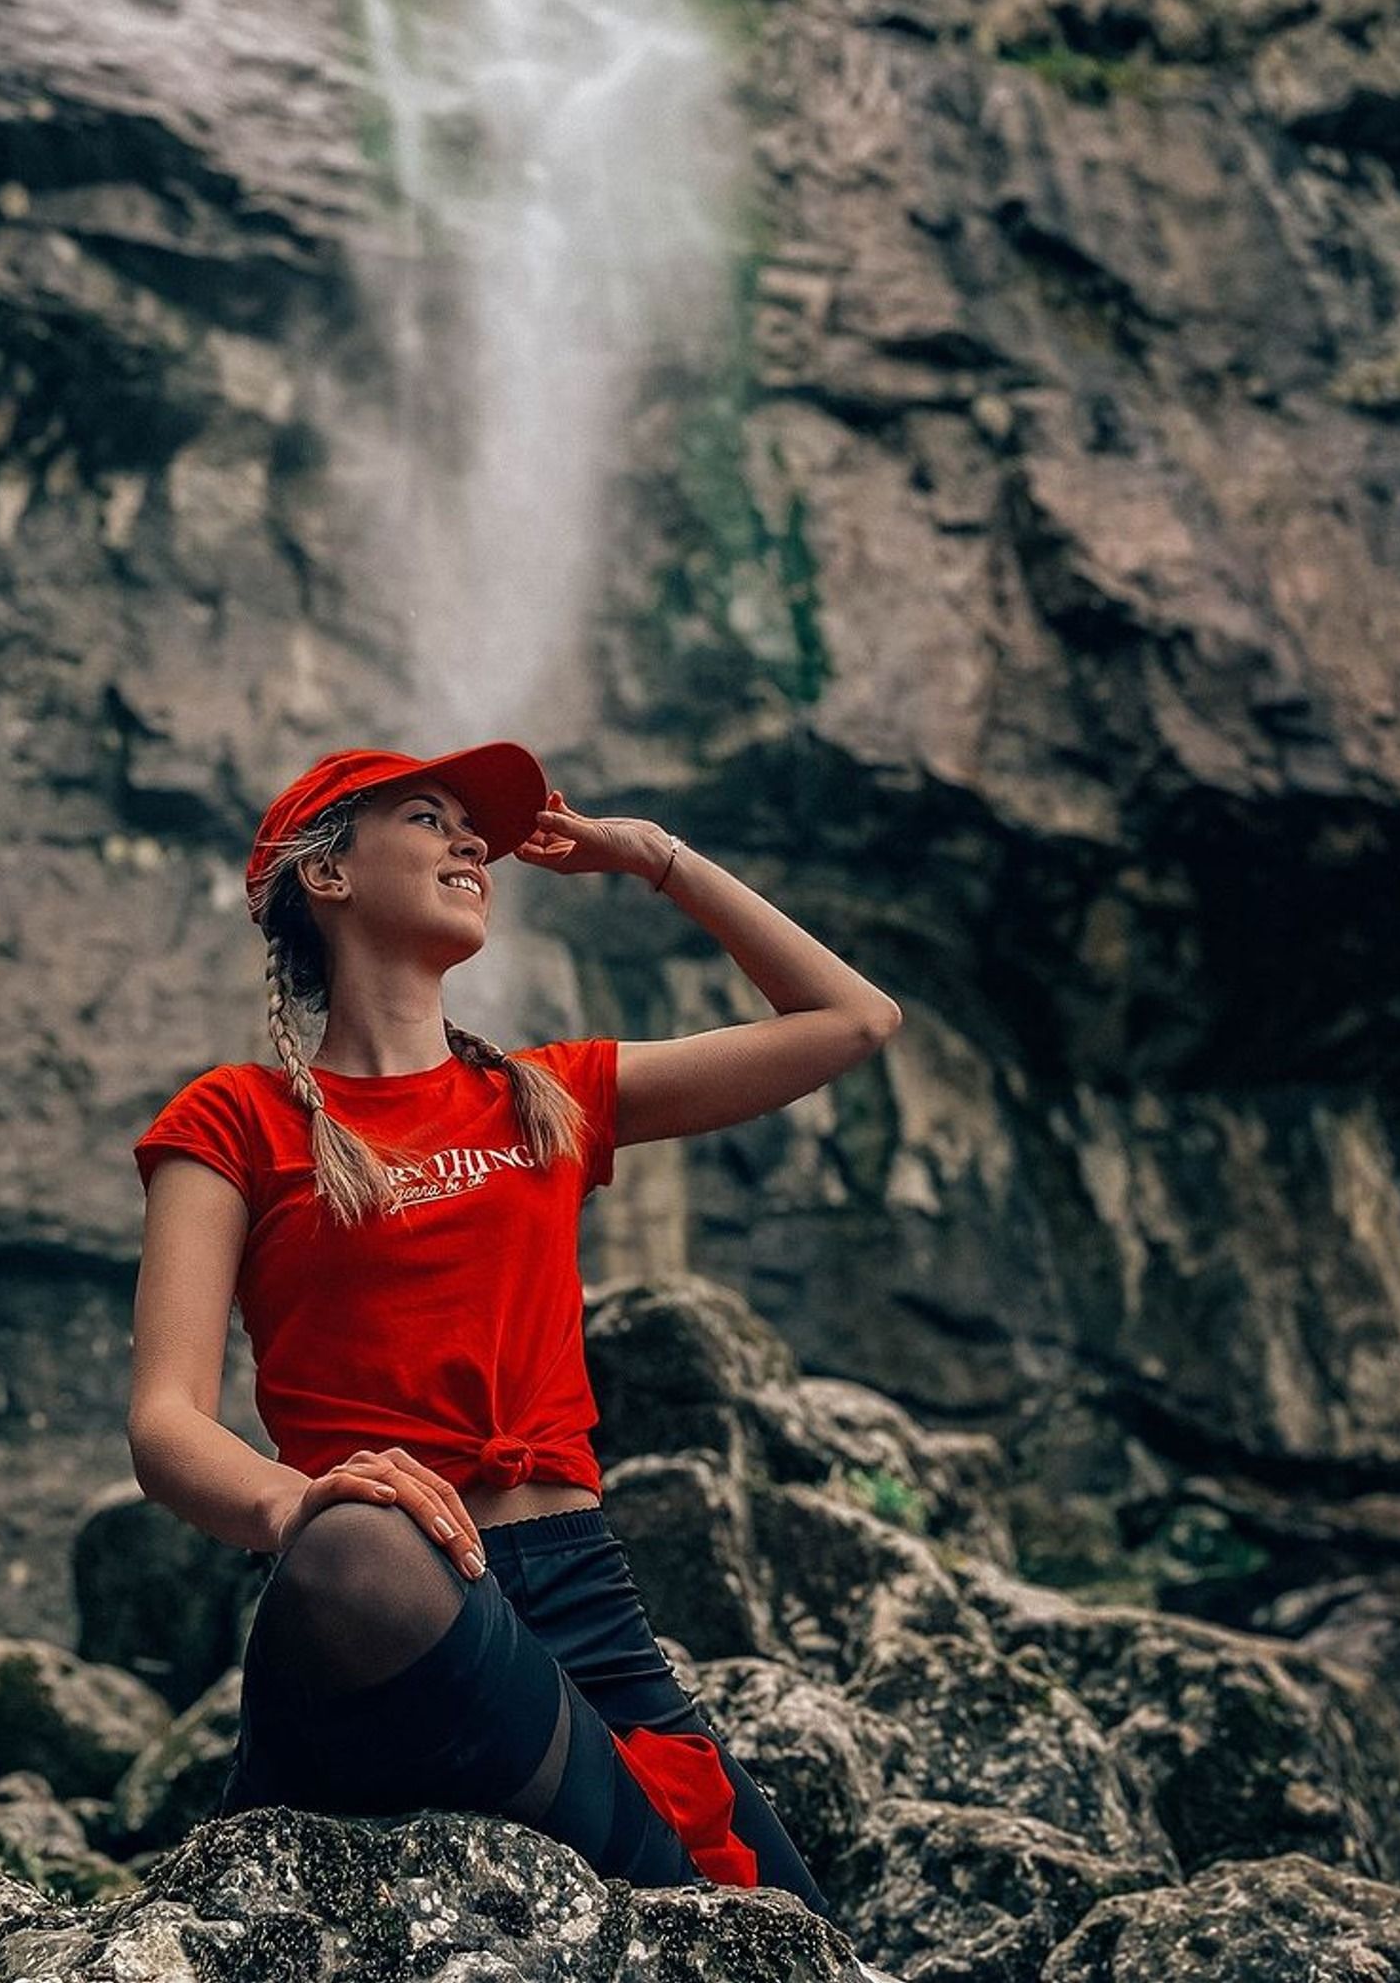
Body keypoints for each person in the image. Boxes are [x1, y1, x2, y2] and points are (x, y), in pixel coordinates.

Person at [126, 740, 907, 1967]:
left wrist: (652, 857)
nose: (469, 845)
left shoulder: (546, 1097)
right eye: (428, 819)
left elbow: (851, 1019)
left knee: (799, 1944)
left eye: (473, 830)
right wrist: (304, 1503)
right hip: (378, 1594)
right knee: (362, 1553)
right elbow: (165, 1424)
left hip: (581, 1598)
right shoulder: (231, 1119)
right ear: (322, 875)